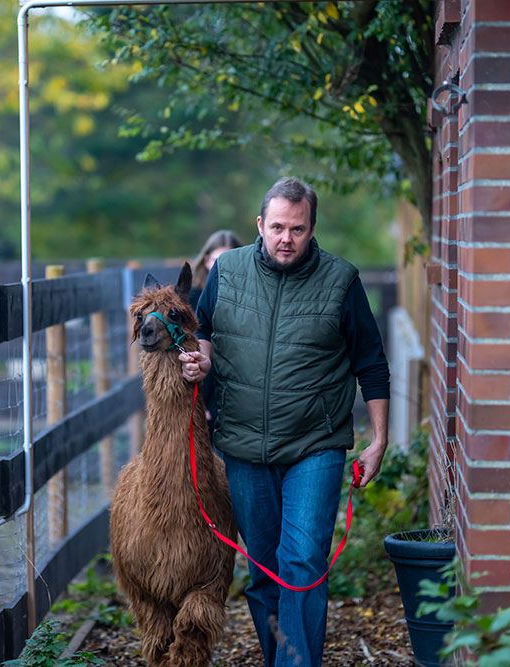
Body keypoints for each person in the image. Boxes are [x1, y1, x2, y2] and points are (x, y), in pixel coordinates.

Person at [179, 177, 390, 667]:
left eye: (297, 229)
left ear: (312, 228)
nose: (286, 239)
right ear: (260, 224)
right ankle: (283, 656)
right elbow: (204, 330)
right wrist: (201, 362)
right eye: (277, 227)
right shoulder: (227, 271)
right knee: (265, 571)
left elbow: (371, 362)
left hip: (315, 445)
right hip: (244, 446)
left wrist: (379, 439)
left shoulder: (341, 281)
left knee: (303, 564)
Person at [189, 230, 243, 435]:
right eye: (218, 260)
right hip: (203, 390)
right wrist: (200, 404)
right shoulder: (191, 299)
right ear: (205, 261)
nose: (223, 268)